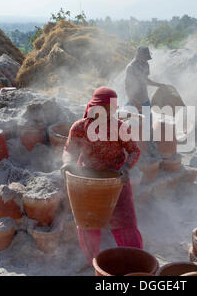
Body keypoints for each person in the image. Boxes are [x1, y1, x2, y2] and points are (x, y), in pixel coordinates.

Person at [61, 86, 143, 265]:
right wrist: (68, 163)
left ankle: (136, 261)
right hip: (87, 181)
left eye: (110, 109)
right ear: (92, 106)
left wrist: (127, 167)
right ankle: (93, 262)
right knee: (88, 224)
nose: (105, 113)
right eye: (101, 108)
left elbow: (134, 151)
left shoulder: (120, 128)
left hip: (116, 180)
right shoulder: (80, 127)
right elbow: (69, 150)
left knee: (125, 223)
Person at [124, 46, 168, 113]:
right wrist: (134, 102)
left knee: (148, 121)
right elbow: (127, 86)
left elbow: (145, 80)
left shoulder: (145, 64)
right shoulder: (131, 67)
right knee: (135, 121)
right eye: (144, 57)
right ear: (138, 55)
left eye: (146, 58)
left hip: (144, 98)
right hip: (134, 100)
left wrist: (158, 85)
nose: (145, 60)